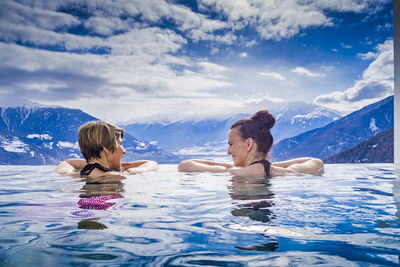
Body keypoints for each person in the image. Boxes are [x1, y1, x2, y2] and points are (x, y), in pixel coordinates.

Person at [178, 110, 324, 177]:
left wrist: (229, 167)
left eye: (231, 144)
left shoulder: (234, 173)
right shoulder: (284, 172)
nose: (228, 152)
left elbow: (185, 165)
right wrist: (268, 166)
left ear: (249, 144)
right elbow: (316, 162)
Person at [56, 120, 158, 179]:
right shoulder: (115, 177)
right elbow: (152, 164)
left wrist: (105, 164)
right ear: (107, 149)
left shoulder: (71, 174)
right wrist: (131, 170)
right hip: (104, 207)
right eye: (120, 144)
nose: (124, 151)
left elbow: (68, 162)